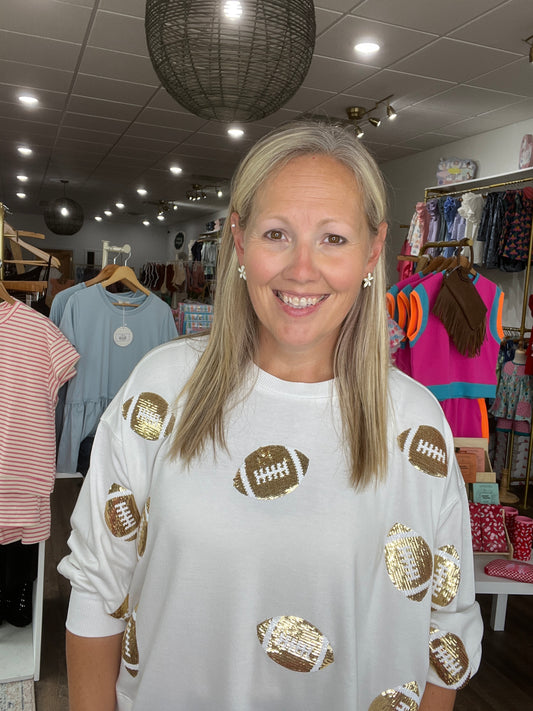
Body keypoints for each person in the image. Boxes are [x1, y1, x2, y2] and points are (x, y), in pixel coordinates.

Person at [59, 119, 482, 711]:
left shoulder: (414, 422)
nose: (302, 269)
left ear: (373, 250)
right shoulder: (161, 390)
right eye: (277, 233)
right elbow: (98, 585)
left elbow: (446, 626)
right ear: (239, 238)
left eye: (333, 238)